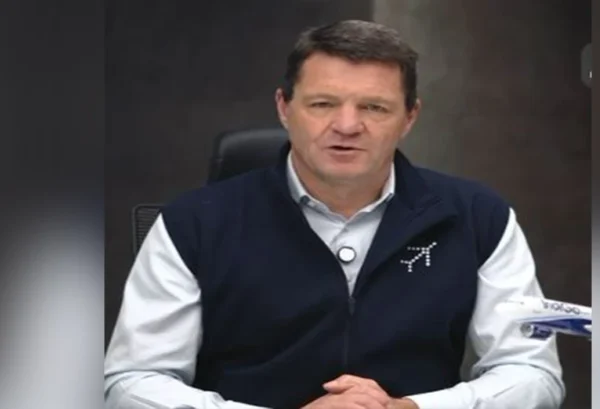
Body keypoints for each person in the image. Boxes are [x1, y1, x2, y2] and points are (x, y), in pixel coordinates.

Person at [104, 19, 565, 409]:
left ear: (409, 117)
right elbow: (132, 383)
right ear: (284, 108)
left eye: (374, 107)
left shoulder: (481, 217)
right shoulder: (192, 223)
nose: (347, 126)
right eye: (323, 104)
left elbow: (534, 372)